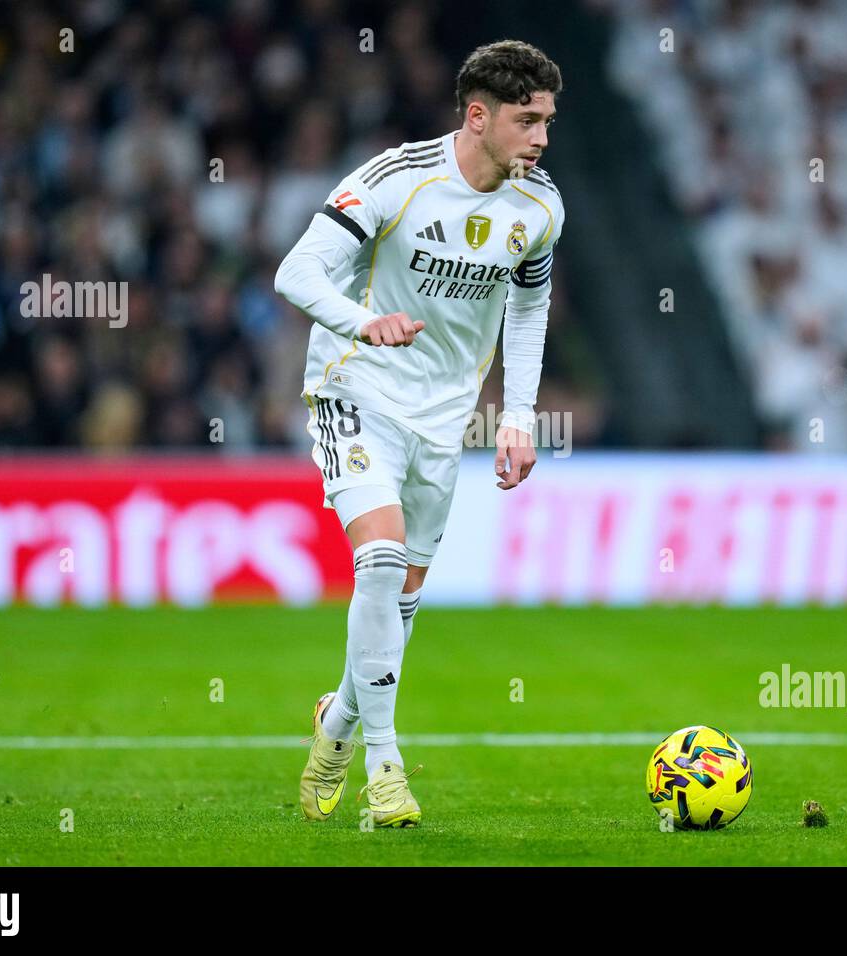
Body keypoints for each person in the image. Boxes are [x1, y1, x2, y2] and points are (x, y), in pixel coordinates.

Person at [274, 39, 565, 827]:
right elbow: (295, 272)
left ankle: (337, 724)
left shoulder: (539, 209)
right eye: (527, 121)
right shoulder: (395, 181)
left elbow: (529, 307)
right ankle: (386, 766)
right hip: (354, 387)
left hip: (446, 417)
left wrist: (516, 416)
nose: (542, 139)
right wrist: (365, 323)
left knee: (398, 599)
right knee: (379, 557)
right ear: (478, 116)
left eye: (547, 122)